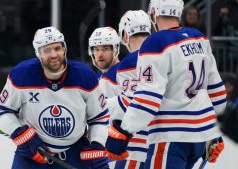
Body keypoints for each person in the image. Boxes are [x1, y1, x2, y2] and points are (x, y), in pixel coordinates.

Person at [105, 0, 226, 169]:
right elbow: (217, 91)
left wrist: (123, 132)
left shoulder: (156, 43)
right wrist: (216, 132)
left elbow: (148, 99)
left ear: (154, 12)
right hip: (199, 138)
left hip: (171, 138)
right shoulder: (199, 37)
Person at [0, 26, 109, 169]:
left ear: (64, 48)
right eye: (47, 50)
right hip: (32, 152)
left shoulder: (84, 76)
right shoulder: (21, 75)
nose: (54, 55)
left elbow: (99, 117)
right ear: (38, 53)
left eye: (57, 48)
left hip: (74, 153)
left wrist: (97, 143)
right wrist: (19, 133)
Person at [106, 10, 152, 169]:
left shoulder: (130, 62)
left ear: (125, 35)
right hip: (168, 147)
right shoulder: (167, 55)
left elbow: (130, 103)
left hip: (137, 149)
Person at [88, 26, 121, 98]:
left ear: (115, 49)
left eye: (105, 49)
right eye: (96, 49)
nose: (100, 55)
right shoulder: (100, 74)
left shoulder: (122, 74)